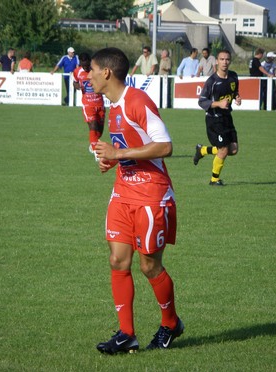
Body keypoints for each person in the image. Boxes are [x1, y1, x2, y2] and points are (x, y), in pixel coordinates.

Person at [88, 47, 183, 354]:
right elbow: (129, 147)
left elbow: (165, 146)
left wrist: (118, 154)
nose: (88, 75)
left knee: (149, 266)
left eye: (91, 70)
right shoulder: (113, 106)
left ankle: (170, 323)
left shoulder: (137, 101)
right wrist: (113, 161)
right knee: (117, 260)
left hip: (151, 196)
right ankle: (127, 333)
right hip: (123, 193)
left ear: (106, 73)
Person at [193, 50, 241, 186]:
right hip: (214, 119)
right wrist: (218, 104)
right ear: (217, 62)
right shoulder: (212, 81)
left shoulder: (233, 76)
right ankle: (214, 180)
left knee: (233, 149)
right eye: (222, 59)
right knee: (224, 150)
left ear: (230, 61)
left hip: (227, 117)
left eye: (227, 59)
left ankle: (202, 150)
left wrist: (237, 97)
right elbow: (201, 101)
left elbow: (235, 91)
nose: (224, 62)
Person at [72, 52, 105, 157]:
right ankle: (96, 152)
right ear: (81, 63)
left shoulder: (96, 70)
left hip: (99, 103)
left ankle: (93, 144)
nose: (85, 67)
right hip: (88, 105)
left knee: (99, 131)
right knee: (93, 126)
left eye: (87, 65)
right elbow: (75, 81)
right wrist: (76, 85)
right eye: (83, 65)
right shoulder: (77, 71)